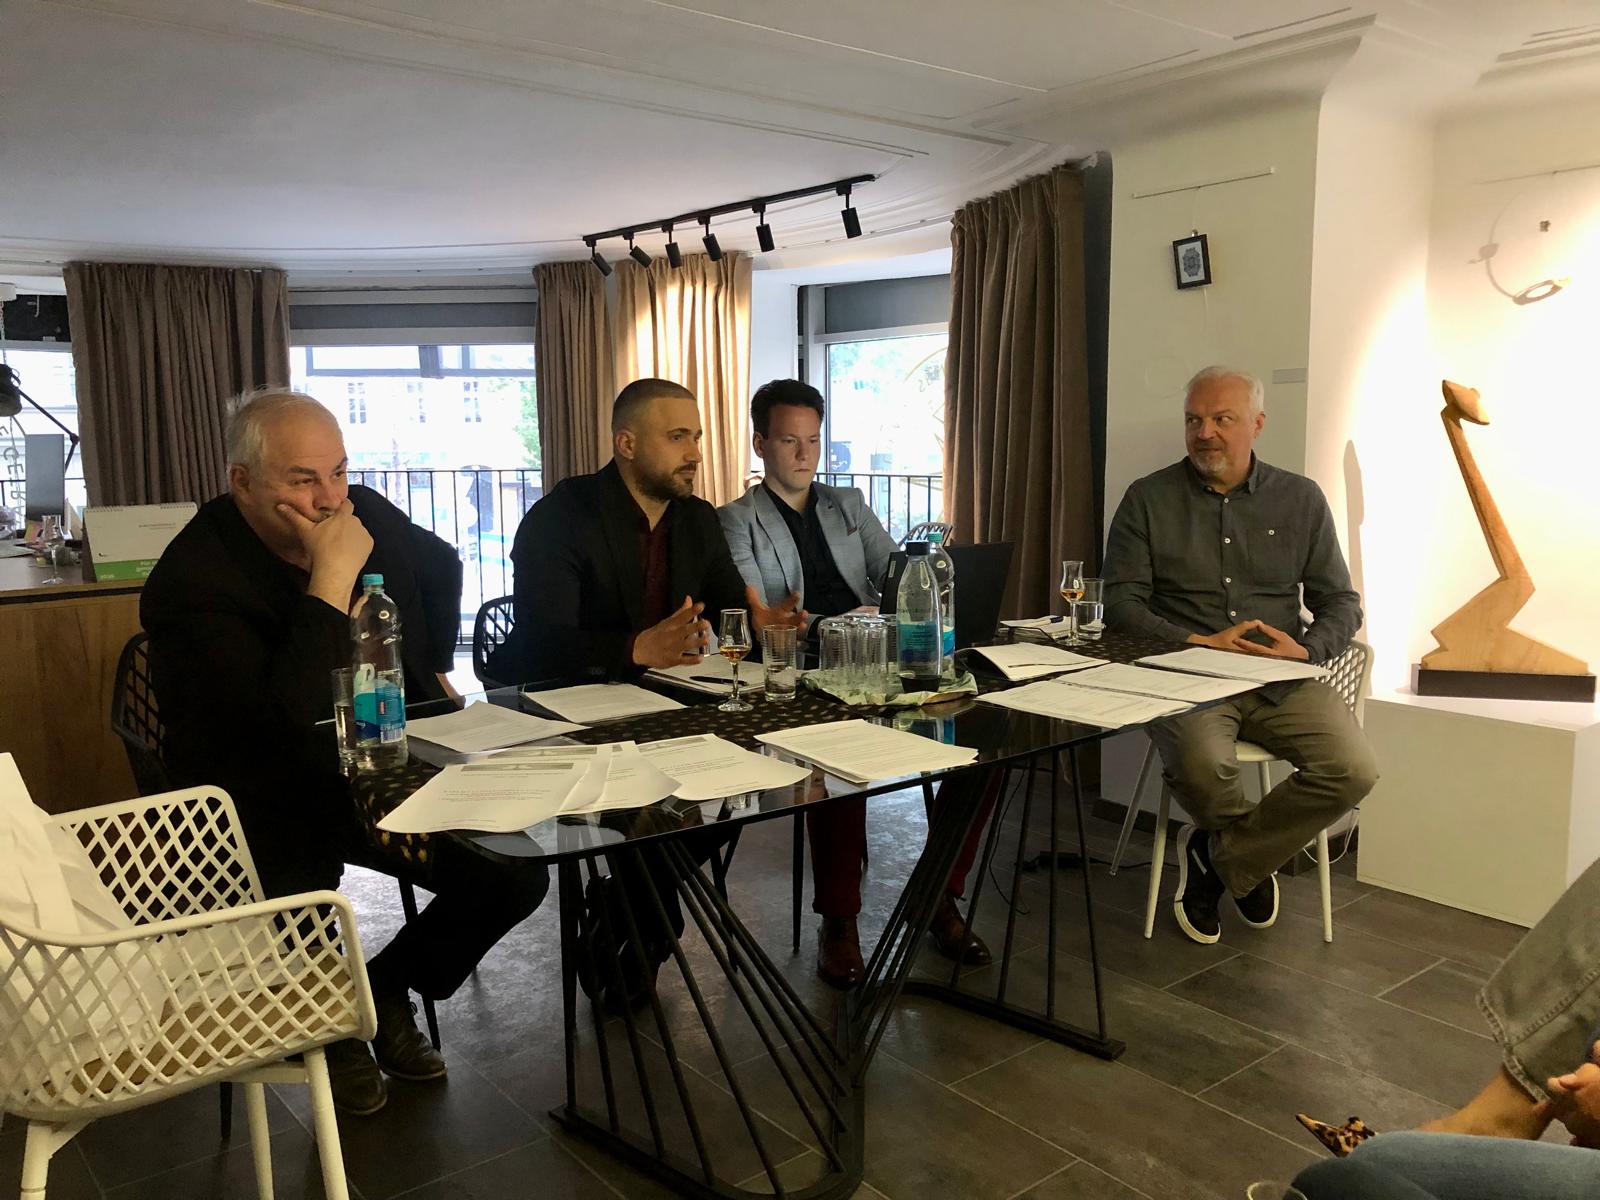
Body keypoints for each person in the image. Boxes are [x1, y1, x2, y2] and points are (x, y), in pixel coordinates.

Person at [142, 390, 549, 1116]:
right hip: (254, 794)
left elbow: (439, 564)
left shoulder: (362, 513)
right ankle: (325, 1023)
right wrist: (329, 583)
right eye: (303, 480)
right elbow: (280, 725)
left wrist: (429, 671)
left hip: (370, 769)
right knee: (298, 873)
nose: (330, 499)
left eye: (338, 472)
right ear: (241, 482)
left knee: (510, 872)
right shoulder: (192, 580)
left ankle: (382, 990)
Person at [488, 377, 806, 1009]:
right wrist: (635, 648)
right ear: (627, 444)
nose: (695, 453)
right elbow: (540, 641)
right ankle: (651, 927)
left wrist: (761, 621)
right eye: (678, 437)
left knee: (742, 791)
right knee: (659, 815)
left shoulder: (695, 518)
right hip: (568, 712)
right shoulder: (562, 516)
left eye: (697, 437)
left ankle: (626, 909)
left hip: (665, 708)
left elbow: (726, 602)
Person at [717, 378, 999, 988]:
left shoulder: (847, 504)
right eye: (789, 441)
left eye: (813, 440)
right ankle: (839, 922)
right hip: (801, 671)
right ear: (760, 443)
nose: (804, 454)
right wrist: (837, 621)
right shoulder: (735, 520)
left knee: (985, 752)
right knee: (838, 763)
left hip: (879, 658)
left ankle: (937, 894)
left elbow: (899, 576)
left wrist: (904, 594)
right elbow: (768, 618)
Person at [1102, 365, 1377, 945]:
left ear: (1257, 424)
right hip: (1186, 674)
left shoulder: (1301, 499)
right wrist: (1198, 642)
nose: (1205, 432)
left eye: (1222, 419)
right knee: (1205, 765)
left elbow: (1341, 602)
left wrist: (1306, 650)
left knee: (1353, 769)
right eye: (1194, 420)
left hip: (1281, 677)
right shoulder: (1147, 499)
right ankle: (1246, 861)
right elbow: (1120, 604)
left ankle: (1218, 856)